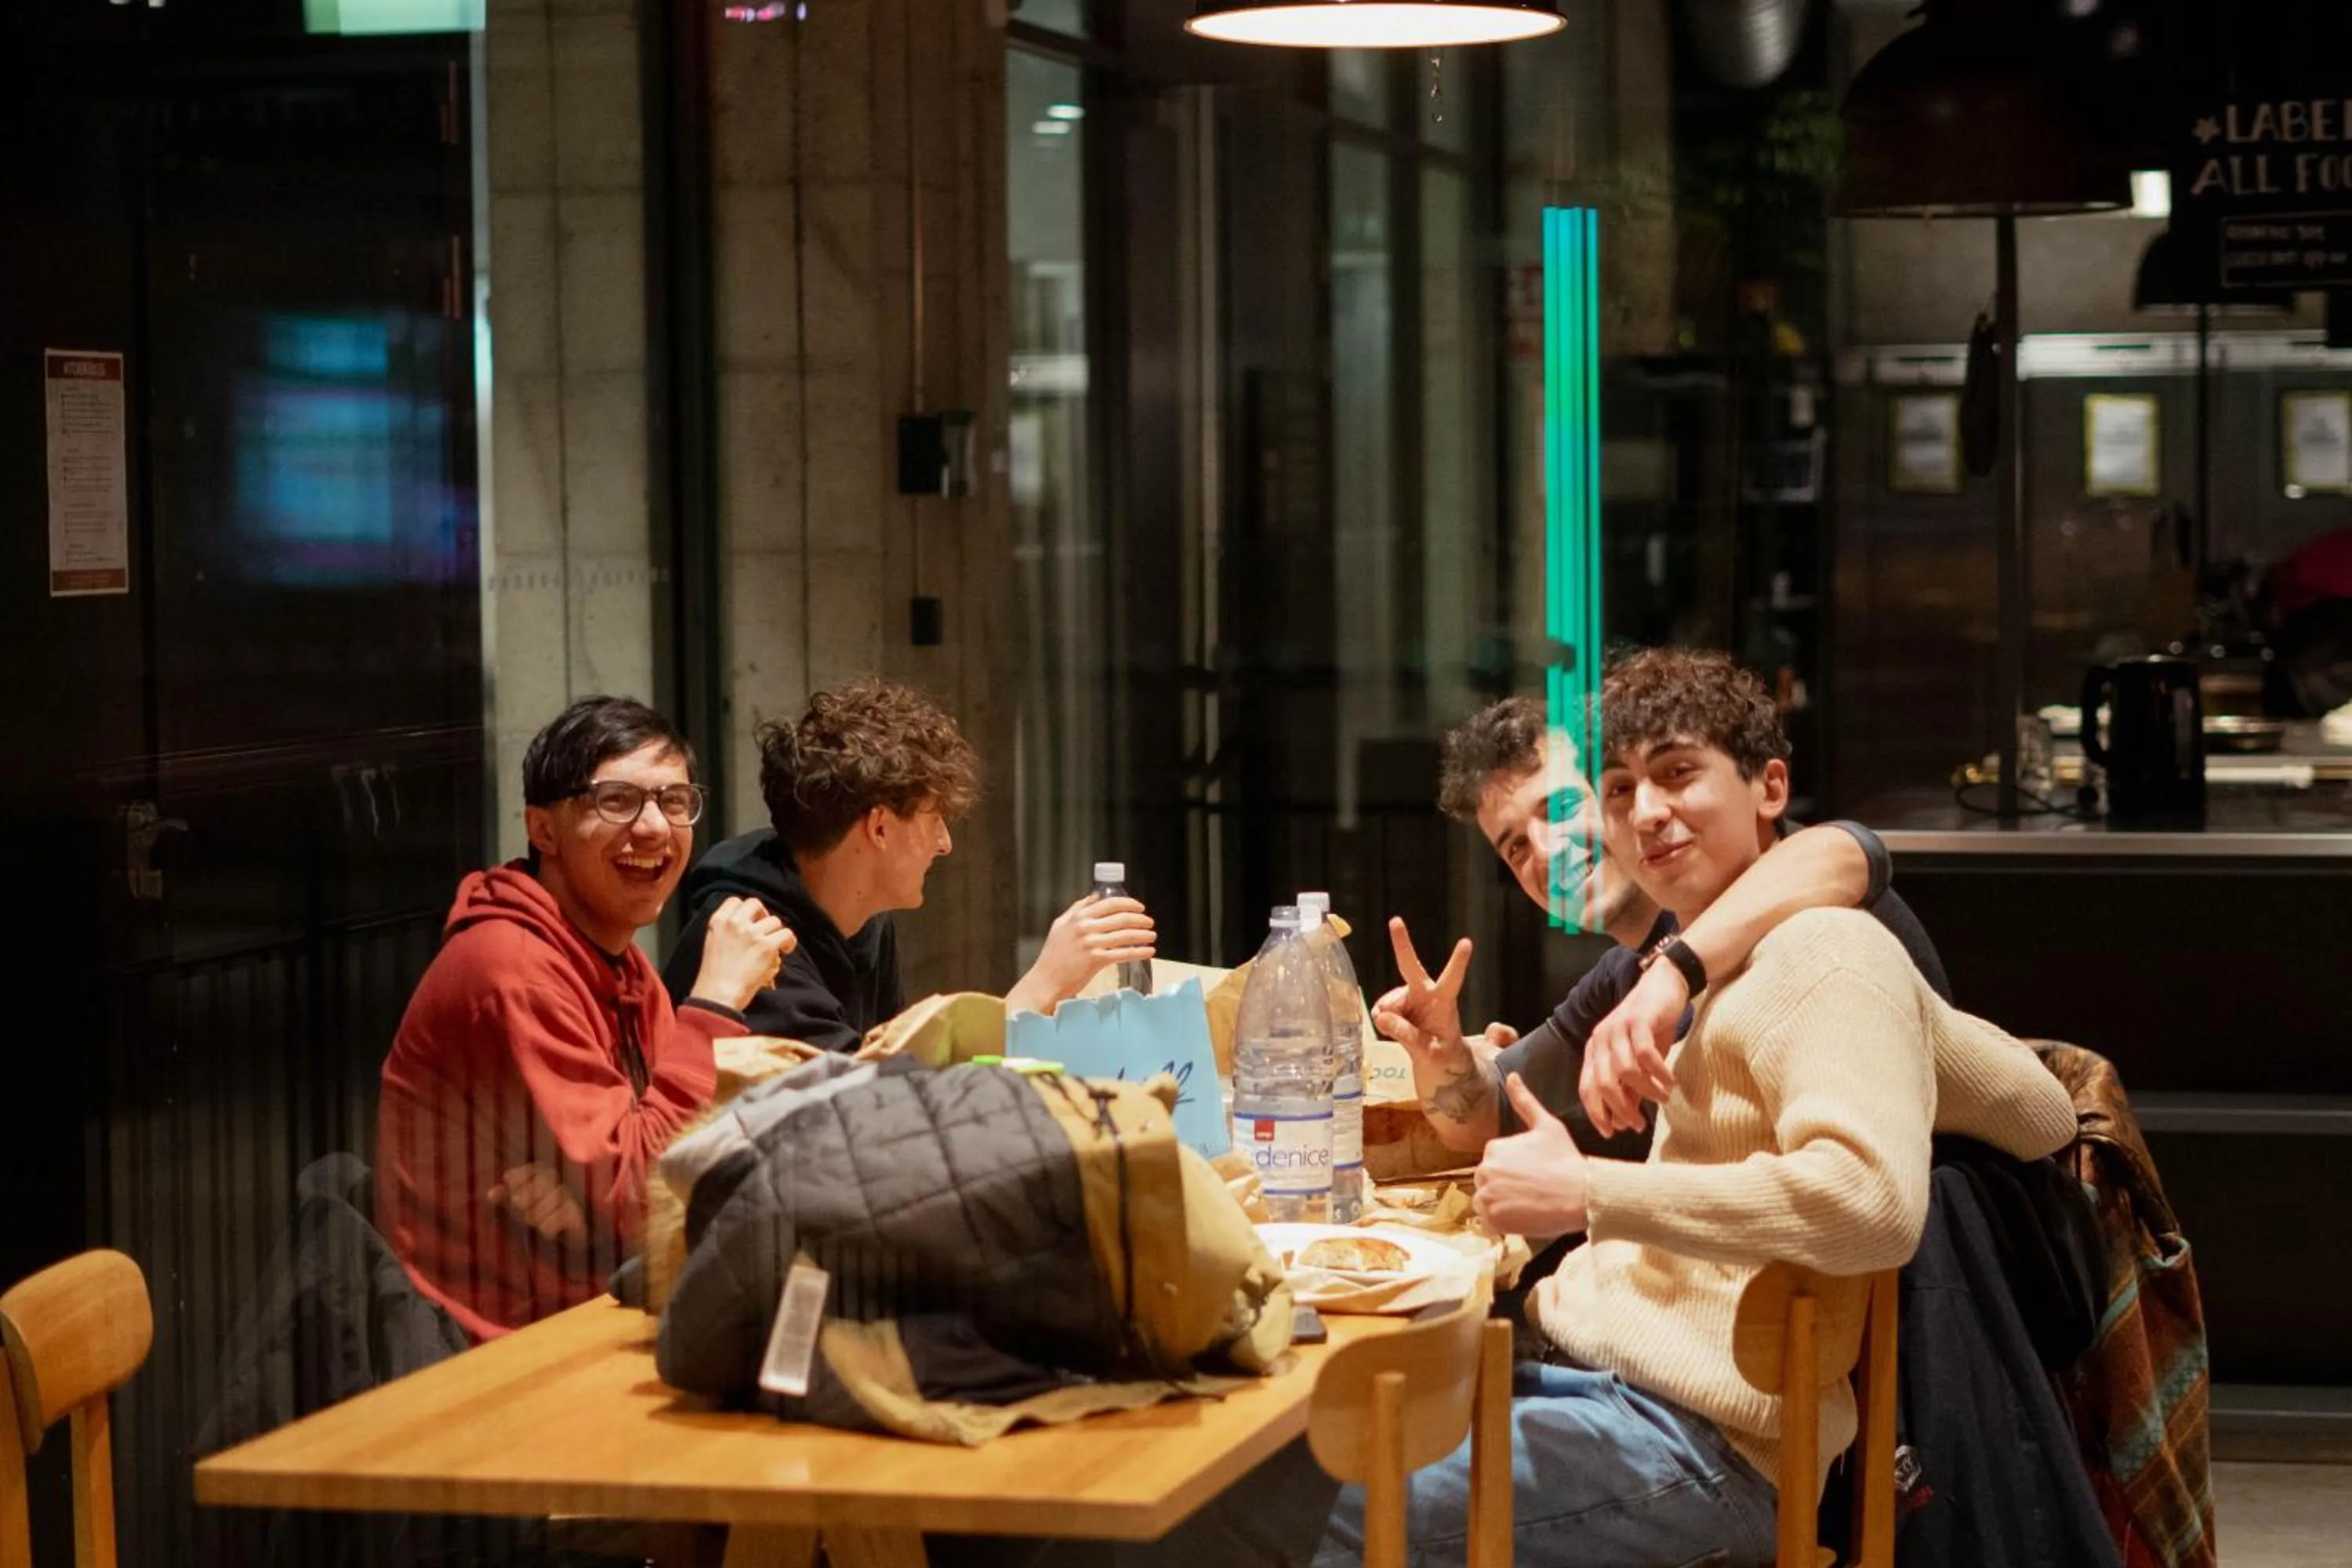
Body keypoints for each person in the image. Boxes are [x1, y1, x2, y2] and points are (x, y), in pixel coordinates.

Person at [1381, 671, 1950, 1160]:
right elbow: (1488, 1114)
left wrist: (1675, 973)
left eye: (1562, 807)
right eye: (1516, 848)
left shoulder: (1791, 892)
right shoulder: (1625, 972)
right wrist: (1442, 1053)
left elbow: (1850, 852)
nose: (1547, 853)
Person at [376, 696, 794, 1341]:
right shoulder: (510, 967)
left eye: (674, 801)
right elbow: (645, 1192)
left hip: (595, 1301)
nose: (654, 827)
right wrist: (713, 1004)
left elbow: (690, 1168)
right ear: (543, 829)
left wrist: (590, 1213)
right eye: (618, 801)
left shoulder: (615, 960)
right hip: (494, 1350)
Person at [664, 678, 1156, 1051]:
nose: (944, 844)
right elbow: (873, 1107)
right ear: (879, 827)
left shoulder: (863, 919)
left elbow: (887, 1060)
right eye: (934, 818)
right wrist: (1040, 986)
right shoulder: (749, 939)